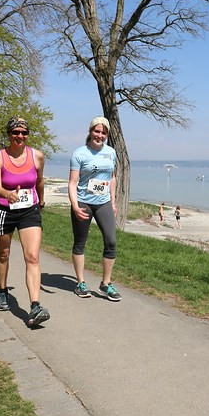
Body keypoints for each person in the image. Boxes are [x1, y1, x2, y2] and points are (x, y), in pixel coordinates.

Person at [0, 116, 49, 327]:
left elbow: (39, 181)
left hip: (28, 211)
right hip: (3, 209)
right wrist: (7, 194)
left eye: (24, 133)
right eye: (15, 132)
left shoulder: (37, 156)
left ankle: (35, 306)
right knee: (4, 254)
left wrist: (41, 201)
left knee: (32, 256)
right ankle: (3, 291)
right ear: (9, 134)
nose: (20, 136)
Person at [68, 117, 121, 302]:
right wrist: (75, 206)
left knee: (111, 241)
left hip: (103, 202)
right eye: (97, 131)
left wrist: (113, 202)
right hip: (83, 202)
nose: (100, 135)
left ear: (107, 135)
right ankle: (80, 282)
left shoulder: (111, 152)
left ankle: (106, 284)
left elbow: (112, 178)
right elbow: (73, 182)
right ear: (90, 131)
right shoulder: (79, 153)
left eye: (103, 132)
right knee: (80, 242)